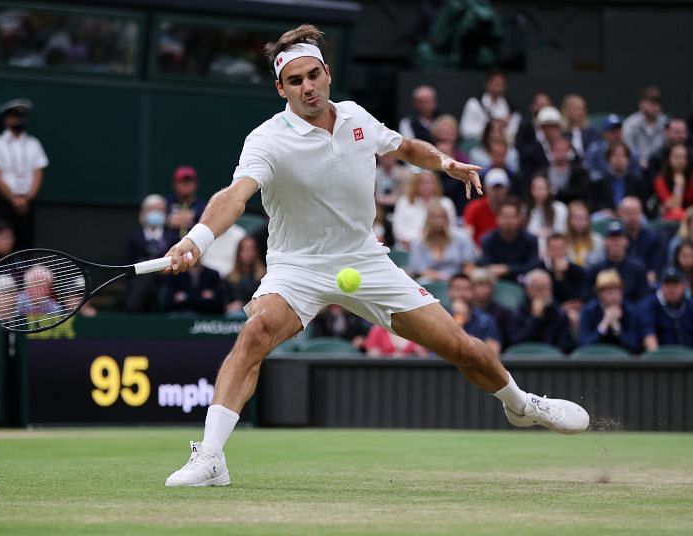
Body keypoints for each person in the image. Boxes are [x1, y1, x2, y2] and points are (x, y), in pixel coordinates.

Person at [162, 25, 588, 488]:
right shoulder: (266, 140)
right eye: (295, 80)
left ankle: (522, 405)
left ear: (327, 74)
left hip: (365, 260)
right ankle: (211, 457)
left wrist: (444, 163)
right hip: (297, 265)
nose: (307, 87)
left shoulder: (357, 119)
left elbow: (404, 147)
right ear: (280, 88)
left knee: (463, 348)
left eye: (314, 75)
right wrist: (197, 240)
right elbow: (236, 195)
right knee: (255, 333)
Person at [0, 98, 49, 249]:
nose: (19, 121)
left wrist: (26, 198)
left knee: (26, 242)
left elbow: (38, 173)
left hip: (27, 201)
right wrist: (13, 198)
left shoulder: (34, 143)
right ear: (6, 120)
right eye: (15, 117)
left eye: (21, 117)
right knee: (2, 239)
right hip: (3, 201)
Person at [406, 201, 476, 283]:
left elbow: (469, 264)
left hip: (458, 279)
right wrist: (443, 277)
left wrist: (462, 280)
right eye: (435, 217)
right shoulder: (419, 242)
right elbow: (419, 269)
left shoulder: (461, 237)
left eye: (442, 217)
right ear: (428, 220)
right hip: (429, 281)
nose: (439, 221)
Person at [509, 269, 575, 353]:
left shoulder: (559, 314)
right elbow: (515, 343)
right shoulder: (518, 313)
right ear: (528, 290)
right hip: (525, 360)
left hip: (553, 363)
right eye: (539, 289)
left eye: (547, 288)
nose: (544, 293)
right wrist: (535, 318)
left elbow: (566, 346)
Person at [578, 269, 642, 354]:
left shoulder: (629, 311)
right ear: (599, 295)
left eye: (617, 292)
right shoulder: (588, 311)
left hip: (623, 363)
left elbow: (634, 347)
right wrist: (604, 324)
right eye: (609, 293)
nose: (614, 297)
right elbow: (583, 347)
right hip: (595, 360)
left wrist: (617, 328)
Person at [585, 220, 649, 305]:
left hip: (631, 314)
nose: (615, 243)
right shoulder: (595, 269)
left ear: (626, 241)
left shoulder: (638, 268)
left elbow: (643, 299)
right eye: (612, 239)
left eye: (618, 238)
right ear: (605, 242)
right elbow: (589, 299)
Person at [126, 194, 171, 313]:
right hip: (140, 283)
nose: (157, 213)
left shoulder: (171, 238)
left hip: (165, 282)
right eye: (152, 210)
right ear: (144, 212)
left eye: (160, 210)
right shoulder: (134, 238)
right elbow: (128, 267)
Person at [392, 170, 457, 249]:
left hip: (437, 248)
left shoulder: (446, 203)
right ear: (415, 184)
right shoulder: (403, 202)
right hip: (407, 248)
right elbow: (397, 230)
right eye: (422, 182)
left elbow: (451, 229)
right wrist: (414, 241)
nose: (426, 186)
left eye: (430, 182)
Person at [479, 198, 539, 282]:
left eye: (512, 217)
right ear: (497, 218)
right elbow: (486, 265)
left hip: (523, 279)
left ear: (519, 219)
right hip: (495, 279)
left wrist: (508, 269)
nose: (508, 221)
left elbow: (533, 265)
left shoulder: (530, 239)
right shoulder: (487, 239)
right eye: (504, 217)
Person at [459, 69, 520, 142]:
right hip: (477, 144)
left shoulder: (510, 107)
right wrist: (492, 127)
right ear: (487, 83)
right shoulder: (474, 104)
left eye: (502, 84)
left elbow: (513, 133)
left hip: (500, 145)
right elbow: (465, 130)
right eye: (496, 83)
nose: (498, 87)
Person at [640, 267, 693, 351]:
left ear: (683, 286)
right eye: (668, 285)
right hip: (661, 360)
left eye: (675, 284)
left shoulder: (690, 305)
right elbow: (649, 335)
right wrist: (656, 358)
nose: (671, 289)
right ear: (661, 286)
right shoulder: (650, 305)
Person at [589, 142, 649, 215]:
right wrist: (605, 211)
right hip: (608, 217)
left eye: (623, 156)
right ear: (608, 159)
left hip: (633, 217)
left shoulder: (637, 182)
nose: (619, 159)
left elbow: (644, 206)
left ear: (628, 160)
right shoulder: (599, 183)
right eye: (615, 156)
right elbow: (595, 206)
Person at [447, 273, 501, 353]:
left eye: (466, 289)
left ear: (473, 292)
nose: (462, 293)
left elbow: (493, 352)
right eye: (457, 289)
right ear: (449, 292)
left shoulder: (486, 320)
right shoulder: (439, 317)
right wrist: (458, 319)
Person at [618, 196, 665, 284]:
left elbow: (654, 271)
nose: (632, 217)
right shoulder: (615, 239)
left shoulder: (653, 239)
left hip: (646, 283)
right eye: (628, 213)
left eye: (635, 213)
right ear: (620, 213)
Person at [584, 114, 641, 182]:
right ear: (604, 133)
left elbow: (636, 176)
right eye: (612, 131)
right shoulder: (594, 150)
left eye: (618, 130)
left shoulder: (631, 152)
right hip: (601, 188)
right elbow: (589, 172)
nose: (616, 134)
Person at [622, 86, 667, 170]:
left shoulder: (665, 123)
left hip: (658, 166)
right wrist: (639, 160)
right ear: (642, 104)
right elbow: (627, 148)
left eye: (658, 104)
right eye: (652, 104)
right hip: (635, 166)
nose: (656, 108)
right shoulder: (630, 124)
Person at [463, 168, 510, 246]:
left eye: (500, 187)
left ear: (507, 189)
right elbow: (468, 235)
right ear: (485, 187)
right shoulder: (474, 208)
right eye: (494, 188)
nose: (497, 192)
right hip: (478, 253)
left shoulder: (512, 209)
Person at [519, 106, 567, 183]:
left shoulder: (569, 148)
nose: (551, 130)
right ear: (541, 128)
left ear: (559, 127)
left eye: (554, 126)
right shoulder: (530, 153)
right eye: (546, 127)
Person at [470, 268, 512, 351]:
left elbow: (505, 341)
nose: (486, 290)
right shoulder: (466, 311)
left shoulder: (501, 312)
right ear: (471, 287)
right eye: (480, 285)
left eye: (488, 285)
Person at [525, 174, 568, 253]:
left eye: (542, 188)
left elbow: (561, 231)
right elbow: (527, 233)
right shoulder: (525, 210)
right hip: (533, 249)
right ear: (531, 191)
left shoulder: (560, 208)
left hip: (555, 248)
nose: (539, 192)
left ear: (549, 190)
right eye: (536, 189)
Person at [165, 165, 206, 245]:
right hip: (167, 248)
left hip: (193, 247)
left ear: (195, 184)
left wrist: (194, 223)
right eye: (182, 181)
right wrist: (168, 221)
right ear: (175, 184)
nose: (186, 185)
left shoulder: (202, 206)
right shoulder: (166, 203)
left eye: (189, 181)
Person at [224, 236, 266, 316]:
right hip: (234, 317)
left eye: (252, 249)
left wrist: (241, 304)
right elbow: (225, 302)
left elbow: (264, 301)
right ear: (238, 252)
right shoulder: (229, 278)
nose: (248, 253)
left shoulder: (264, 277)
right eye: (245, 249)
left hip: (257, 313)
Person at [543, 136, 589, 205]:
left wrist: (556, 192)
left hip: (572, 206)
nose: (560, 153)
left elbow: (581, 192)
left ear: (569, 152)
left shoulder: (580, 172)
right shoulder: (542, 172)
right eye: (557, 149)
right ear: (551, 151)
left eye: (563, 149)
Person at [654, 143, 693, 221]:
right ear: (669, 159)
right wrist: (679, 186)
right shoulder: (660, 180)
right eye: (677, 157)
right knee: (677, 212)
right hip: (670, 217)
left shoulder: (691, 177)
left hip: (690, 215)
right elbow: (675, 206)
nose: (680, 161)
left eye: (683, 157)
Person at [647, 118, 690, 182]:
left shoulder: (691, 155)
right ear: (667, 132)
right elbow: (653, 183)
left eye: (684, 132)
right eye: (677, 132)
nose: (682, 136)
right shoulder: (656, 157)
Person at [566, 201, 605, 268]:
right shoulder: (562, 241)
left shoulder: (598, 241)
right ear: (569, 220)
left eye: (583, 218)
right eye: (576, 218)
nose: (579, 222)